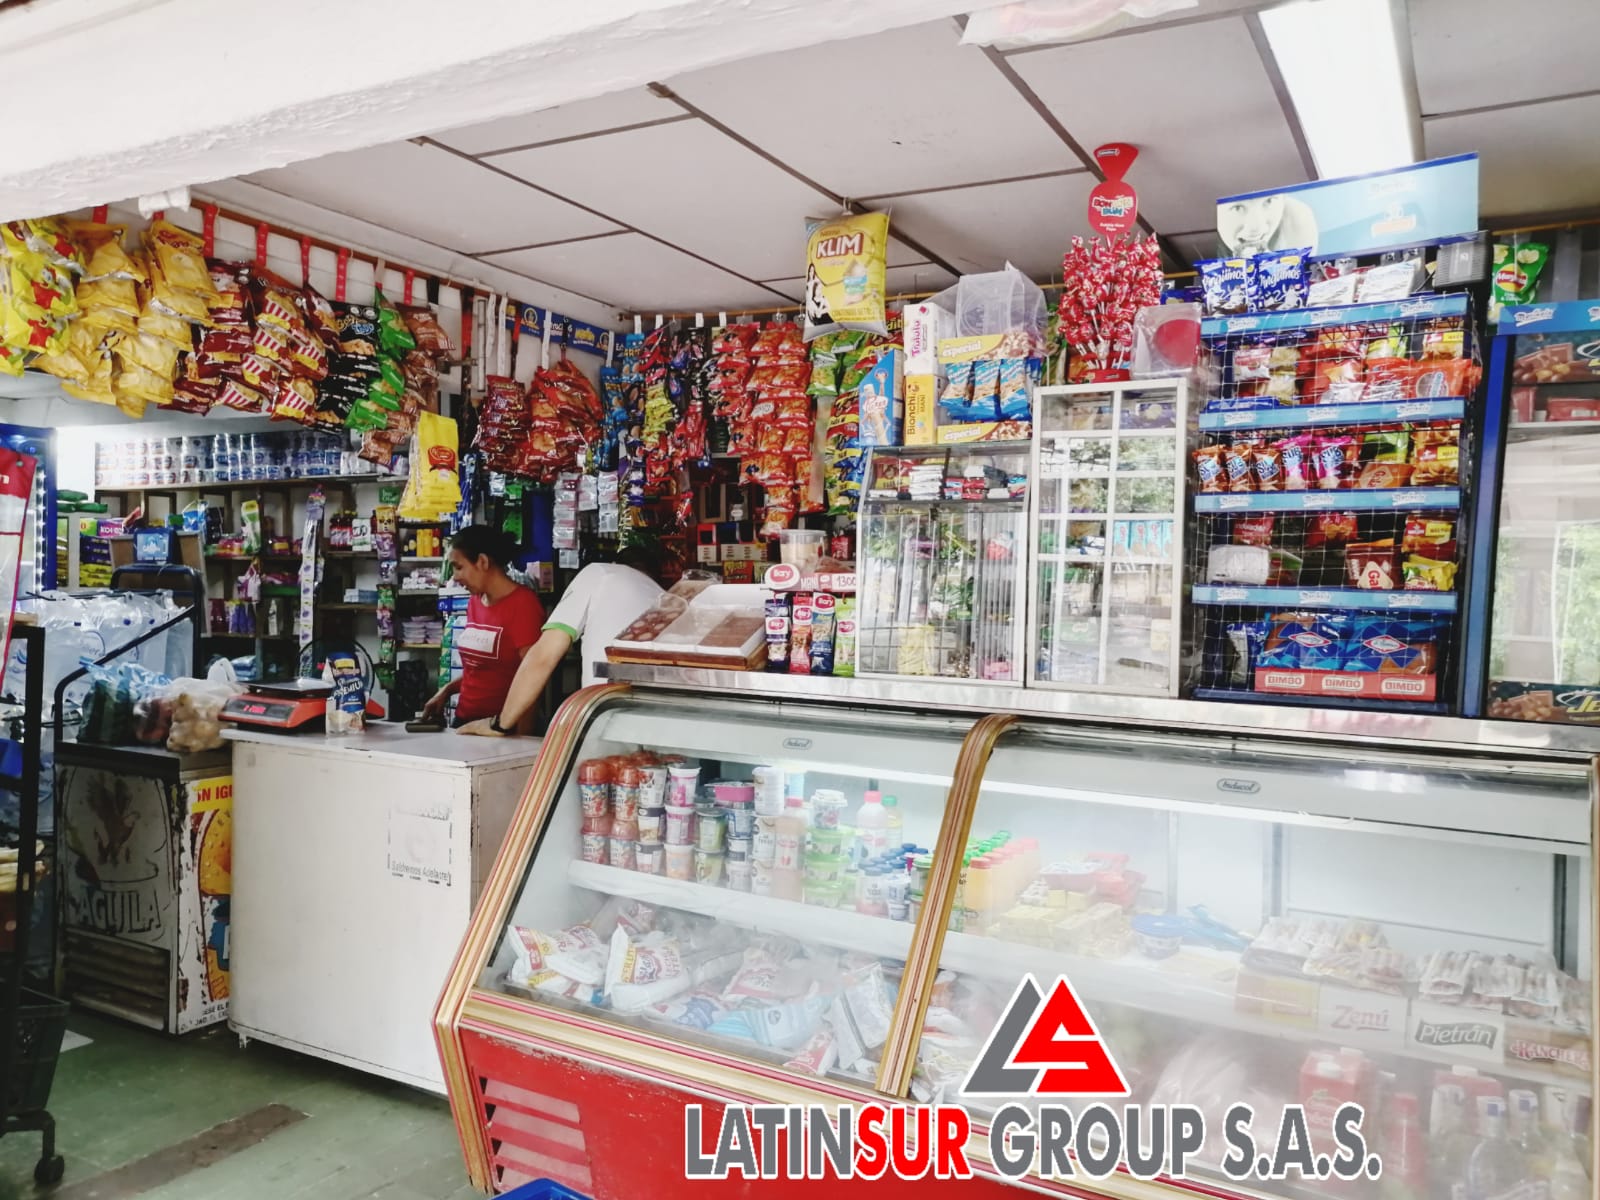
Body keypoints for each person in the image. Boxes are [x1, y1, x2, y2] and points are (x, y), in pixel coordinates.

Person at [457, 545, 662, 736]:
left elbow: (543, 656)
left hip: (606, 723)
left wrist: (500, 724)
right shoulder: (664, 596)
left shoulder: (601, 574)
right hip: (657, 726)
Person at [418, 525, 545, 731]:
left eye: (459, 567)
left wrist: (522, 739)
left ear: (483, 562)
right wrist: (446, 691)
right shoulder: (475, 602)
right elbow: (479, 671)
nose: (455, 577)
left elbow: (533, 679)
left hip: (501, 727)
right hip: (465, 721)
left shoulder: (523, 605)